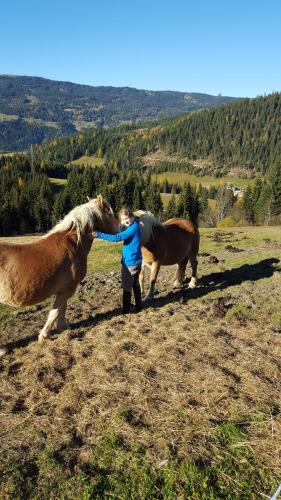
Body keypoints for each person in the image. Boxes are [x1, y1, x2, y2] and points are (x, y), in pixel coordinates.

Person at [93, 208, 142, 314]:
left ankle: (126, 310)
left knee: (127, 287)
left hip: (130, 263)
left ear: (131, 217)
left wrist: (98, 234)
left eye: (127, 218)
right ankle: (139, 306)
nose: (125, 221)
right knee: (135, 284)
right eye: (123, 220)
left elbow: (117, 238)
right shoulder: (136, 225)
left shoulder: (132, 229)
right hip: (138, 261)